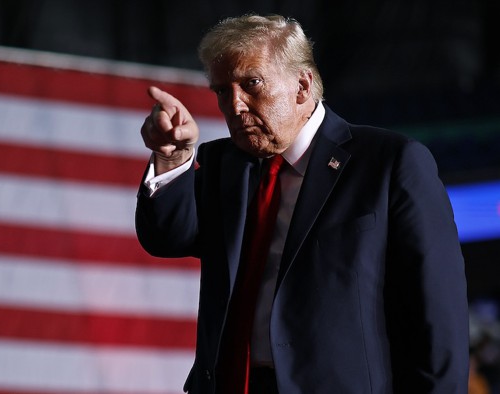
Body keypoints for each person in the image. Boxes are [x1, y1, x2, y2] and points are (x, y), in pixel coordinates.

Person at [135, 14, 469, 394]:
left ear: (302, 86)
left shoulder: (390, 163)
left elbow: (438, 317)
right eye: (222, 91)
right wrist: (172, 157)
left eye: (251, 84)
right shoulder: (220, 164)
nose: (235, 106)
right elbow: (166, 239)